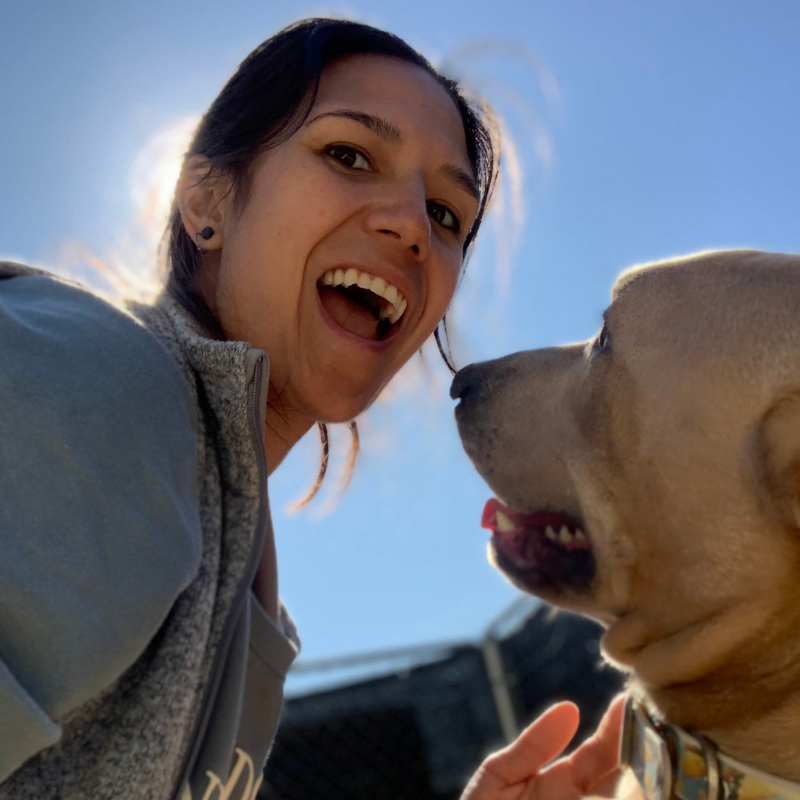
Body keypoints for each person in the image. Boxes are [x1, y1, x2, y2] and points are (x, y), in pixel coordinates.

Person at [0, 18, 622, 800]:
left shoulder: (243, 566)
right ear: (207, 203)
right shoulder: (101, 387)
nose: (411, 227)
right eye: (349, 155)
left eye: (446, 215)